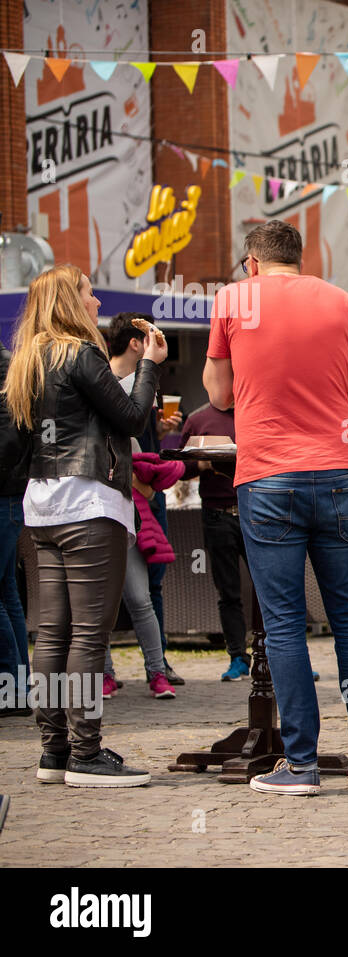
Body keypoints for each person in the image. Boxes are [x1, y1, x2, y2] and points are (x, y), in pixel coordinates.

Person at [204, 220, 348, 795]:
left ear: (252, 263)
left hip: (267, 477)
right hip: (337, 475)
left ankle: (303, 765)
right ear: (298, 259)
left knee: (284, 625)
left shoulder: (232, 299)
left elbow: (219, 395)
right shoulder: (340, 300)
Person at [6, 264, 163, 787]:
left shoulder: (28, 359)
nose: (97, 302)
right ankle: (86, 752)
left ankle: (53, 750)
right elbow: (132, 417)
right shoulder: (80, 351)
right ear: (70, 303)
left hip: (43, 506)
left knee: (50, 634)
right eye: (89, 293)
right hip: (90, 503)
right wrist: (149, 367)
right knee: (89, 636)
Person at [106, 314, 186, 686]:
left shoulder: (144, 382)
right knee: (109, 595)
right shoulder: (106, 382)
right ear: (136, 342)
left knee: (151, 585)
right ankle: (108, 672)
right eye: (152, 336)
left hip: (147, 495)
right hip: (118, 498)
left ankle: (158, 664)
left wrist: (159, 428)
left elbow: (136, 431)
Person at [101, 438, 183, 699]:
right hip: (95, 527)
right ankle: (105, 675)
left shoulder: (128, 441)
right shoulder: (79, 430)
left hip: (127, 529)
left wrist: (120, 476)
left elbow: (147, 492)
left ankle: (157, 673)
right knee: (98, 606)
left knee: (140, 600)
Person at [177, 401, 249, 679]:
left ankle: (287, 659)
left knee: (274, 589)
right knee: (228, 591)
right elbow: (179, 468)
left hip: (254, 510)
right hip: (217, 515)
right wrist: (203, 463)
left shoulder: (253, 409)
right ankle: (238, 657)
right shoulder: (197, 420)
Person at [0, 342, 32, 720]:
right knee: (7, 591)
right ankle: (18, 687)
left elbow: (8, 444)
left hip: (5, 494)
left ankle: (14, 687)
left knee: (5, 593)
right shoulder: (10, 370)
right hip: (11, 494)